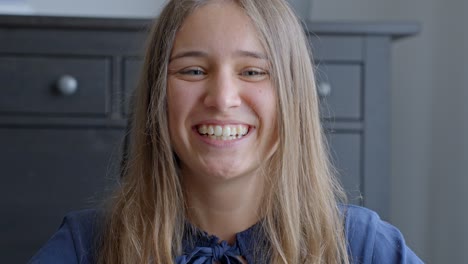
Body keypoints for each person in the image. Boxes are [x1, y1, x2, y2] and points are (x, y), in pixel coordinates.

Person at [29, 0, 423, 263]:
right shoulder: (86, 246)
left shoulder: (363, 245)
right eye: (193, 70)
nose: (221, 98)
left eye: (253, 71)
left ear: (293, 95)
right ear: (157, 96)